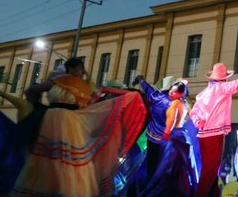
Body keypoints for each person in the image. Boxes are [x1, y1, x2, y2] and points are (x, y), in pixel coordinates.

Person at [8, 57, 147, 197]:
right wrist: (37, 108)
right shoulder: (59, 81)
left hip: (63, 120)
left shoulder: (74, 84)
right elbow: (31, 91)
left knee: (61, 158)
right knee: (57, 158)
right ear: (73, 68)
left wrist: (132, 94)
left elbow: (30, 92)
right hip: (60, 120)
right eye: (80, 69)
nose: (82, 73)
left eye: (82, 70)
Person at [190, 61, 238, 197]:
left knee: (209, 168)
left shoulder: (203, 94)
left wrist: (198, 122)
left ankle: (213, 194)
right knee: (210, 170)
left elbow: (193, 112)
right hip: (214, 133)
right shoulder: (222, 88)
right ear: (224, 78)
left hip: (203, 135)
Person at [140, 79, 194, 197]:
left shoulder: (156, 97)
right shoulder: (181, 103)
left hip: (153, 138)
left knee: (152, 168)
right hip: (171, 142)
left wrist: (141, 81)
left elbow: (148, 89)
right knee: (167, 171)